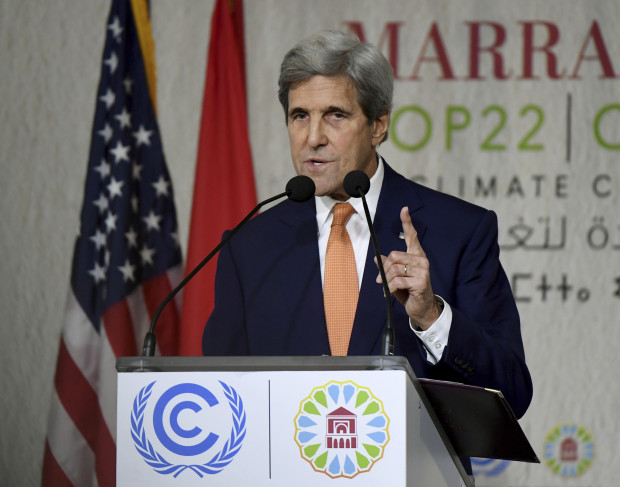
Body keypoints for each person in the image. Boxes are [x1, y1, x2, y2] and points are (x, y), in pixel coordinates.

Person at [203, 30, 532, 420]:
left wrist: (430, 317)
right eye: (299, 116)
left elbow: (511, 394)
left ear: (378, 126)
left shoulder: (459, 231)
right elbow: (221, 395)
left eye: (335, 116)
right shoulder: (249, 247)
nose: (312, 138)